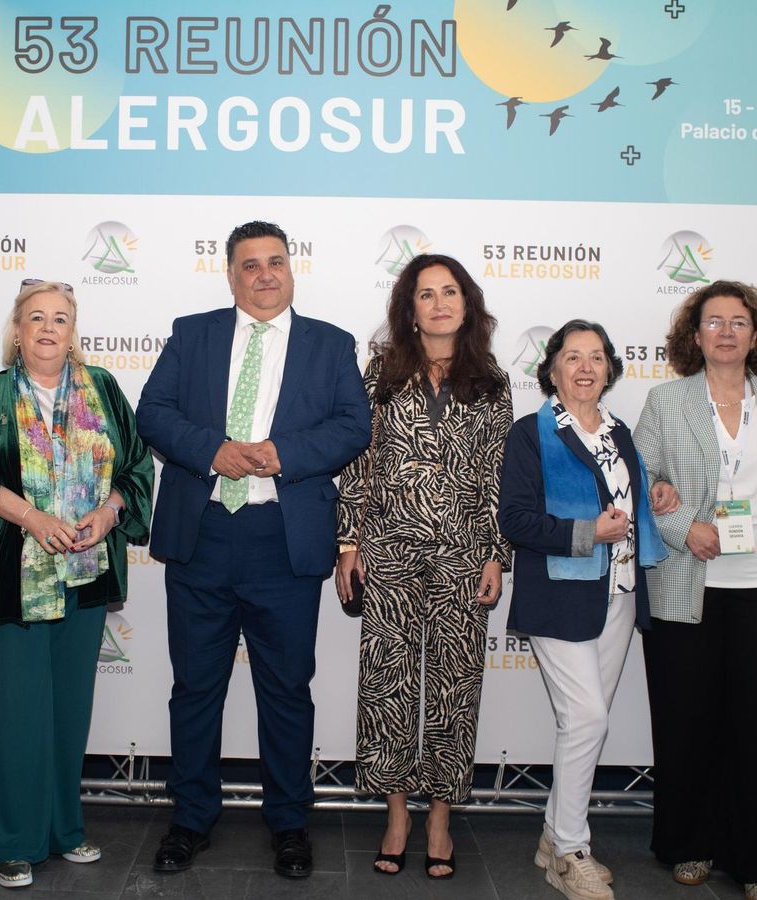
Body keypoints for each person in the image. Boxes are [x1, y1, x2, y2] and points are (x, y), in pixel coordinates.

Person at [136, 220, 371, 878]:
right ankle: (190, 818)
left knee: (288, 690)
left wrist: (284, 455)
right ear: (230, 274)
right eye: (249, 264)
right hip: (202, 536)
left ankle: (291, 823)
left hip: (284, 543)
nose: (263, 274)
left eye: (274, 262)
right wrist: (212, 449)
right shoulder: (193, 334)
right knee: (195, 688)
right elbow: (152, 411)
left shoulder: (330, 344)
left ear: (291, 269)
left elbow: (356, 424)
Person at [0, 279, 154, 889]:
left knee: (68, 712)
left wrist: (110, 512)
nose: (47, 328)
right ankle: (14, 840)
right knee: (16, 716)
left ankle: (65, 829)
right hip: (10, 582)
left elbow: (137, 465)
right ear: (16, 329)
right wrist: (31, 517)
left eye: (60, 319)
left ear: (73, 331)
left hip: (84, 579)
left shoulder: (104, 389)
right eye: (35, 317)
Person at [633, 280, 757, 900]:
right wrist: (682, 525)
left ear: (756, 335)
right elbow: (641, 482)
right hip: (686, 584)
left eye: (737, 321)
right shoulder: (666, 401)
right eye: (712, 321)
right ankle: (687, 843)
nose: (725, 331)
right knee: (686, 721)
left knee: (756, 724)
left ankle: (755, 860)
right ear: (694, 336)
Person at [333, 253, 511, 879]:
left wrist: (496, 554)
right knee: (388, 684)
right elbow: (358, 458)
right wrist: (348, 541)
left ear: (468, 303)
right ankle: (397, 813)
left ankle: (439, 816)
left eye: (450, 292)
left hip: (464, 555)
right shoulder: (380, 371)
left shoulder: (491, 378)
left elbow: (497, 475)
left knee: (455, 687)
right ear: (409, 307)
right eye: (425, 294)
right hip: (388, 549)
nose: (439, 303)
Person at [497, 320, 677, 900]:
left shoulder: (622, 434)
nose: (584, 367)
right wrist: (587, 532)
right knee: (590, 720)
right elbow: (516, 520)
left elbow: (631, 503)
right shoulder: (531, 434)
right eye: (572, 357)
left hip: (619, 594)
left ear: (608, 370)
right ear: (551, 369)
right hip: (558, 593)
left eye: (596, 357)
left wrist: (658, 493)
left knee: (581, 724)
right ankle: (571, 851)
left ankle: (555, 837)